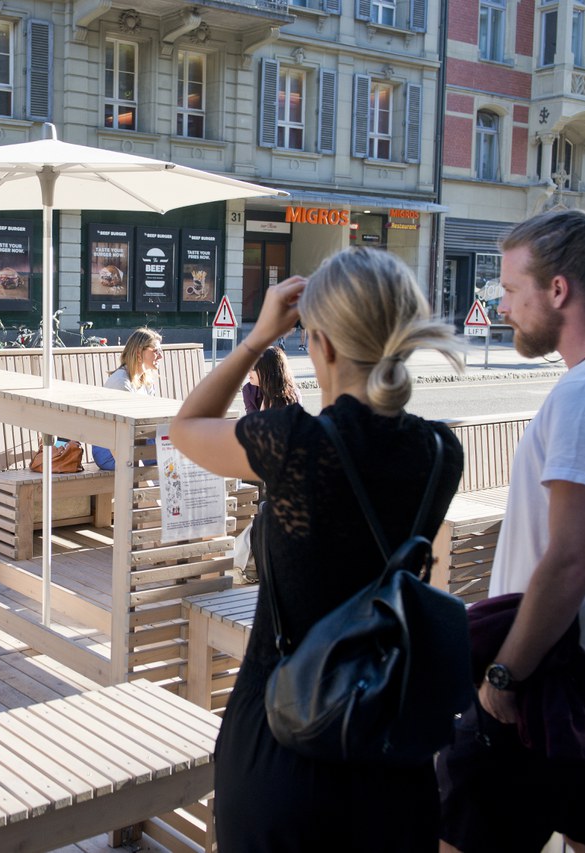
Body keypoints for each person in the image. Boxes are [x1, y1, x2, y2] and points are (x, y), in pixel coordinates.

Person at [169, 247, 465, 852]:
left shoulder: (293, 445)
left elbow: (186, 427)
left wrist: (255, 340)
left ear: (320, 344)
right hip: (391, 746)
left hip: (284, 746)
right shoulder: (439, 452)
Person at [437, 197, 585, 853]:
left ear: (559, 289)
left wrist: (502, 678)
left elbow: (569, 559)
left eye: (512, 288)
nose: (501, 304)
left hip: (547, 685)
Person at [93, 328, 162, 471]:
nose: (160, 356)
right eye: (156, 351)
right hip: (111, 450)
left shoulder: (146, 379)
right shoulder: (120, 382)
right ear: (138, 352)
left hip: (136, 442)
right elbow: (118, 432)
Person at [241, 345, 301, 413]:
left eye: (253, 368)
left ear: (267, 370)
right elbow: (253, 421)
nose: (248, 371)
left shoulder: (292, 394)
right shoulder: (249, 390)